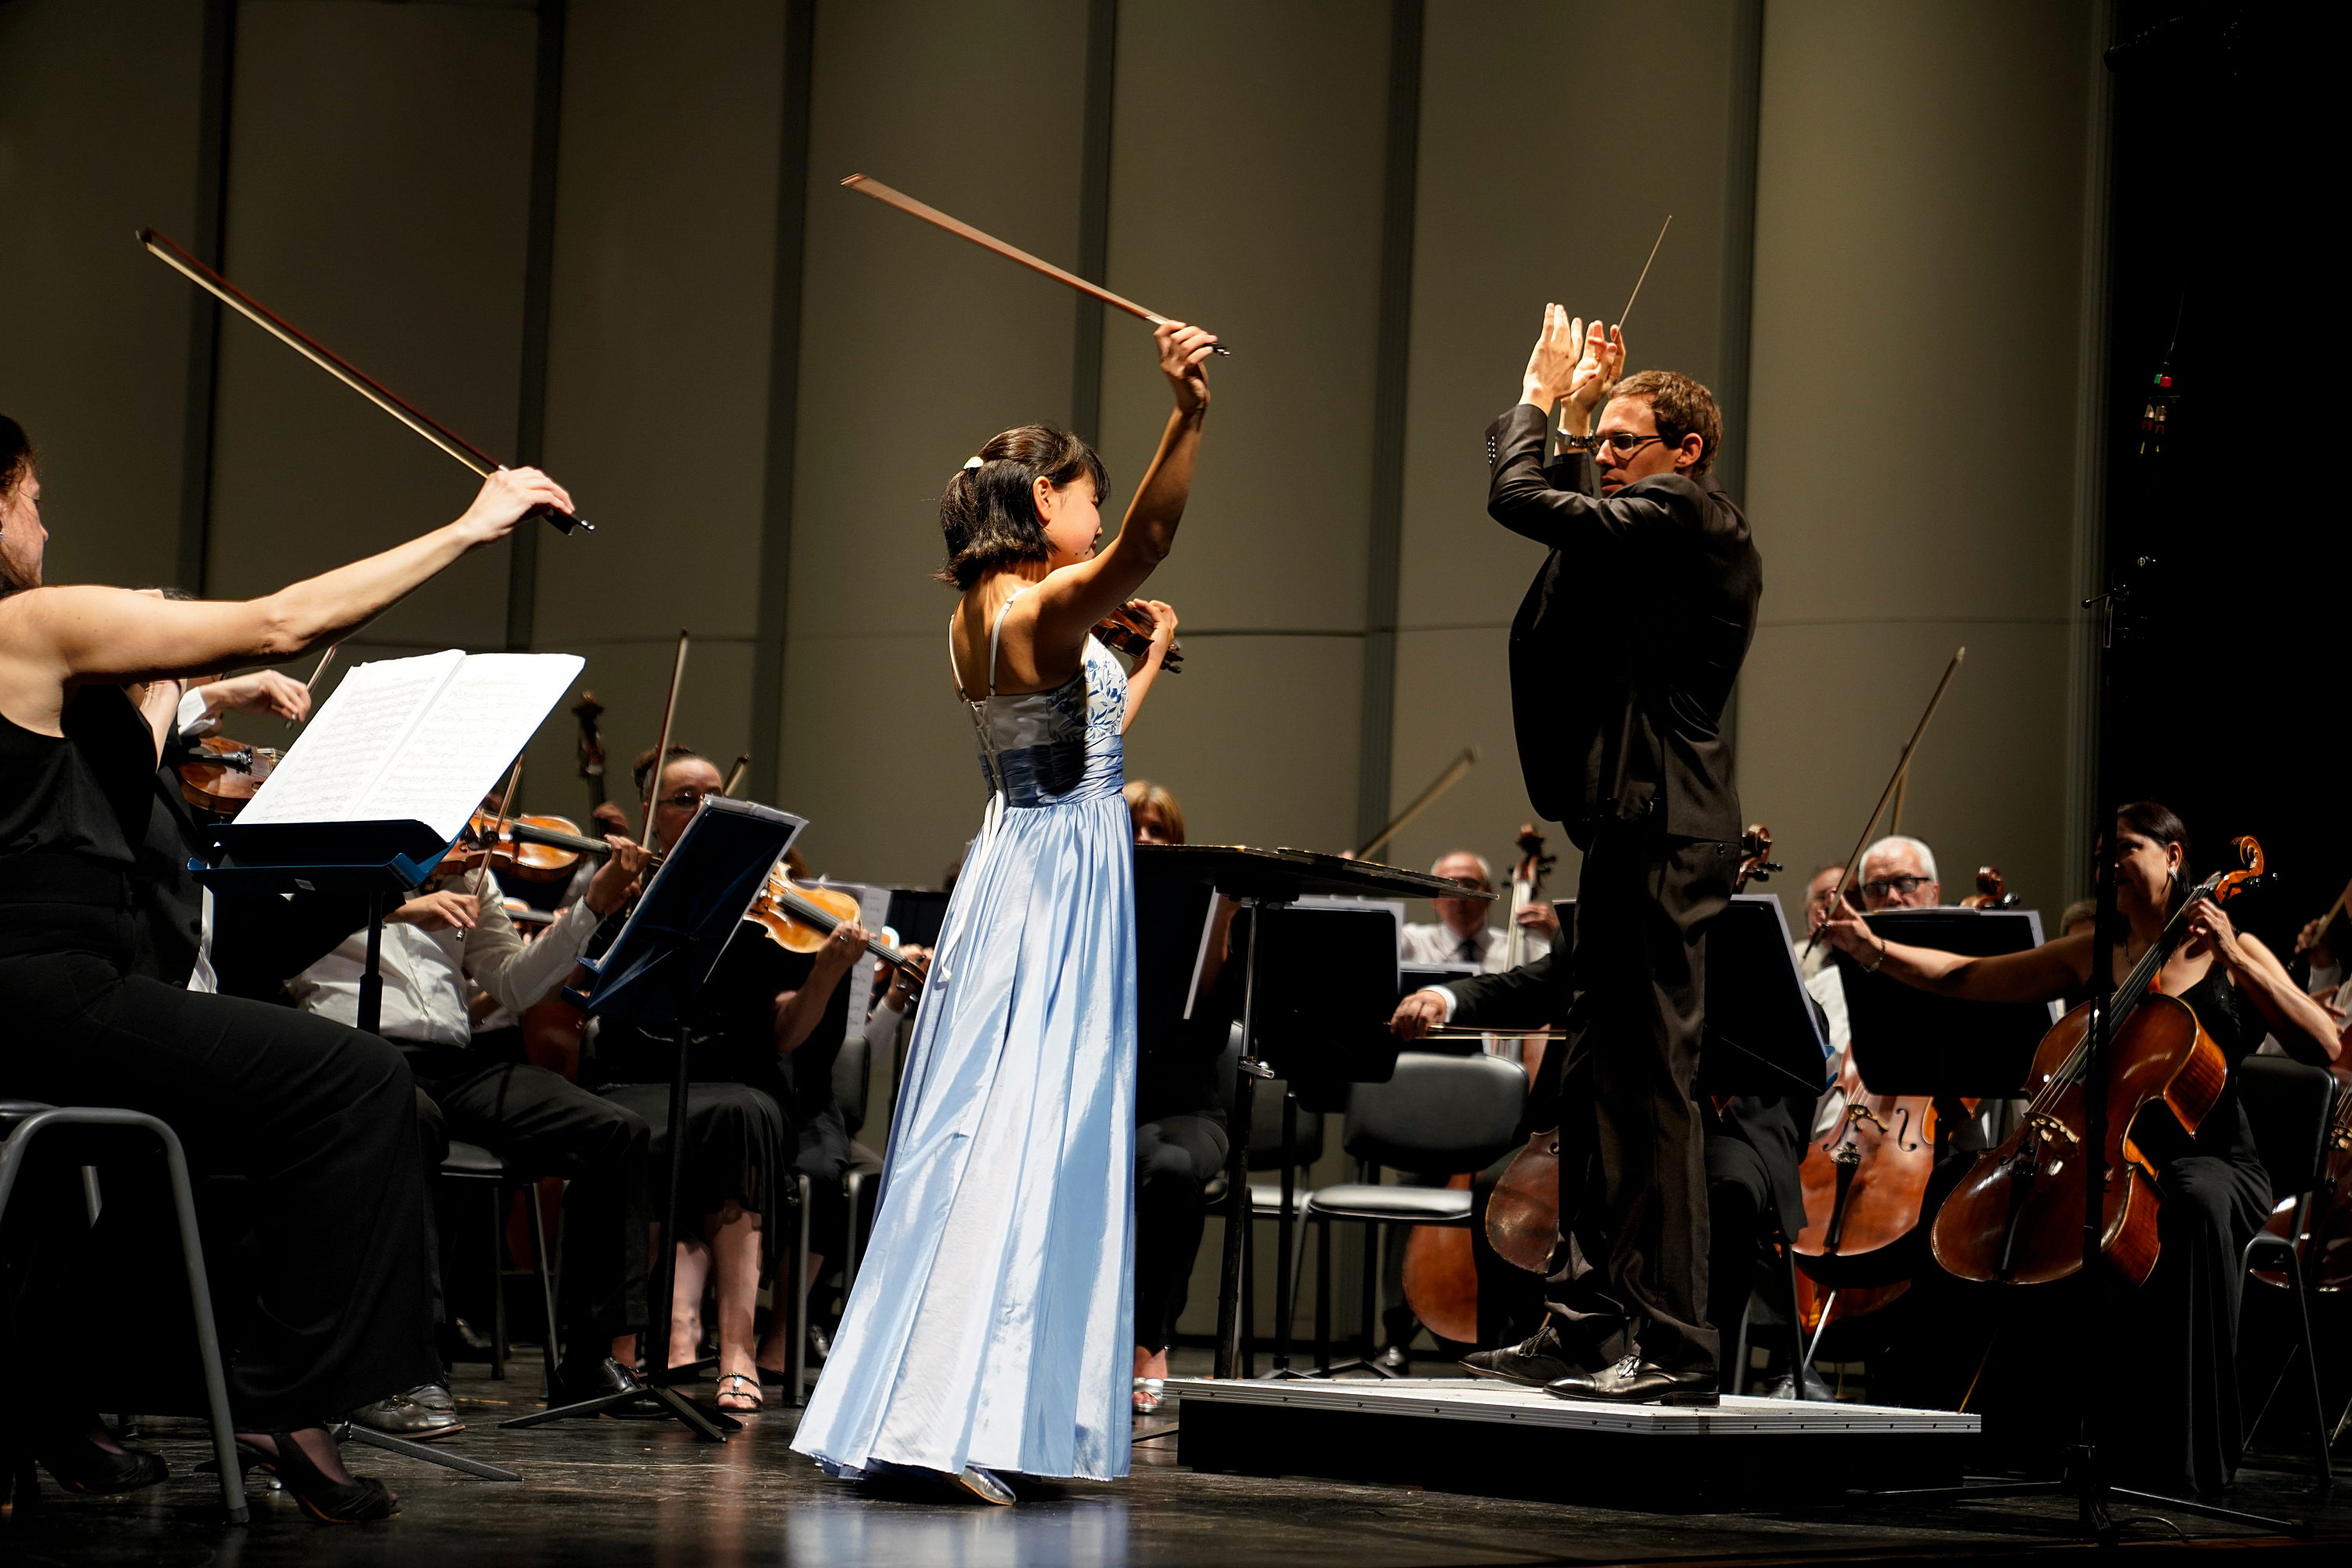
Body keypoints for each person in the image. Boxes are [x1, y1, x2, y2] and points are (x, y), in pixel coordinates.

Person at [0, 410, 569, 1520]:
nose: (46, 521)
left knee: (224, 1124)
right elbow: (284, 618)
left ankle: (68, 1388)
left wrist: (174, 699)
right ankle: (282, 1396)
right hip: (51, 985)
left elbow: (57, 792)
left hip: (36, 986)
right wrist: (470, 524)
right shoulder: (25, 624)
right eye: (30, 499)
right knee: (357, 1084)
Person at [793, 318, 1216, 1503]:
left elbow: (1074, 757)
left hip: (1022, 863)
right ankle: (947, 1419)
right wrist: (1186, 412)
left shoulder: (982, 614)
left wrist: (1136, 665)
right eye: (1082, 499)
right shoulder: (1040, 611)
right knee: (1019, 1137)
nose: (1094, 520)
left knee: (996, 1132)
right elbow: (1153, 536)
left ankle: (941, 1405)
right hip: (1053, 895)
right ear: (1045, 498)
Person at [1811, 801, 2340, 1494]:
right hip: (2105, 1155)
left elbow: (2322, 1043)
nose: (2107, 863)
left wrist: (2236, 952)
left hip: (2212, 1156)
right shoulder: (2098, 951)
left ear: (2173, 858)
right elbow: (1966, 976)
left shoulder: (2228, 947)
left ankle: (2181, 1461)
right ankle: (1973, 1436)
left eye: (2125, 848)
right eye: (2100, 854)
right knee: (1963, 1197)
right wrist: (1873, 949)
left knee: (2193, 1204)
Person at [1465, 310, 1760, 1406]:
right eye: (1604, 448)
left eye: (1624, 444)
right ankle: (1583, 1320)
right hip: (1629, 824)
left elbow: (1519, 499)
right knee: (1592, 1084)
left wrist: (1539, 396)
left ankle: (1679, 1349)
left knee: (1658, 1092)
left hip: (1671, 824)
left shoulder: (1688, 509)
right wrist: (1581, 418)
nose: (1607, 464)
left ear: (1684, 451)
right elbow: (1553, 607)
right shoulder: (1647, 535)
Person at [288, 805, 654, 1416]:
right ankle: (411, 1360)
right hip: (356, 1059)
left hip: (457, 1063)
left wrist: (591, 908)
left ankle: (589, 1358)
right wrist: (398, 907)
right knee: (411, 1119)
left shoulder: (469, 870)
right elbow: (282, 939)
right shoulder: (322, 853)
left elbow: (514, 985)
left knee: (615, 1131)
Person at [587, 745, 867, 1413]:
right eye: (685, 799)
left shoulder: (766, 915)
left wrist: (826, 971)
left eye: (715, 797)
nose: (704, 808)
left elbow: (786, 1036)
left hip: (737, 1079)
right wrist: (601, 906)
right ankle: (620, 1352)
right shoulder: (629, 897)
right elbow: (582, 995)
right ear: (655, 821)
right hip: (643, 1074)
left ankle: (738, 1347)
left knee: (743, 1115)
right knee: (622, 1132)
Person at [1120, 779, 1236, 1414]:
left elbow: (1208, 1012)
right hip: (1102, 1107)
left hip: (1186, 1108)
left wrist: (1224, 914)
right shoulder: (1091, 901)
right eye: (1134, 825)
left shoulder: (1208, 905)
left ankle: (1149, 1342)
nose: (1144, 838)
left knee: (1170, 1170)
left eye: (1157, 829)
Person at [1399, 850, 1558, 970]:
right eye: (1448, 886)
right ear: (1434, 898)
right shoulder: (1411, 943)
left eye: (1470, 885)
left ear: (1488, 894)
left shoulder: (1528, 950)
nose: (1460, 896)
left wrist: (1559, 934)